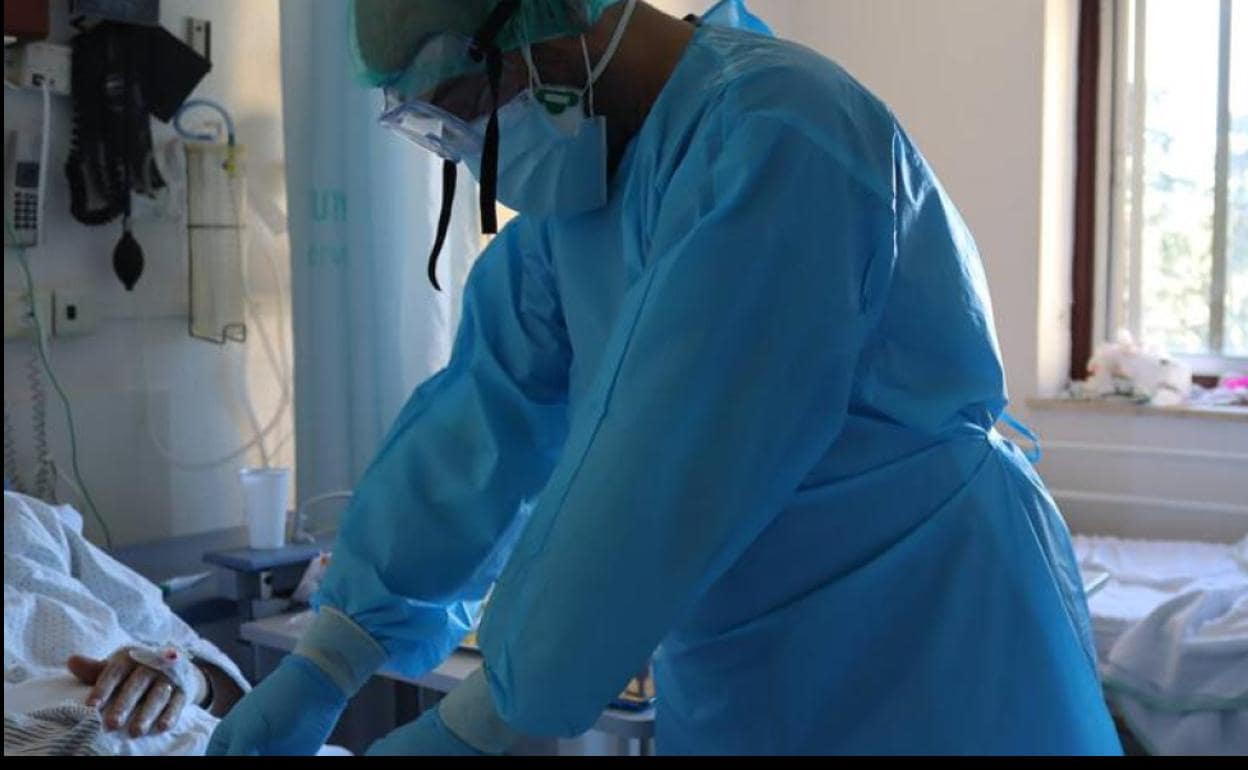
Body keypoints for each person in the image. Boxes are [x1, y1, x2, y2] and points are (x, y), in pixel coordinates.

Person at [210, 0, 1122, 755]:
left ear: (555, 27)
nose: (467, 144)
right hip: (743, 660)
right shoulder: (578, 207)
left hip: (929, 636)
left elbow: (667, 466)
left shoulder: (784, 138)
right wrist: (327, 657)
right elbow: (482, 425)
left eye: (464, 104)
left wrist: (484, 720)